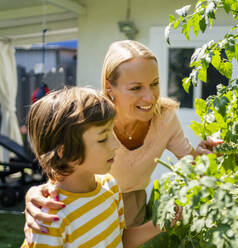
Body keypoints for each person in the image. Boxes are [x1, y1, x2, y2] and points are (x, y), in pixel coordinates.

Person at [24, 40, 222, 234]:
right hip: (90, 203)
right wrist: (35, 193)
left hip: (133, 204)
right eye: (136, 88)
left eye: (154, 83)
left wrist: (207, 155)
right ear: (110, 87)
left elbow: (193, 165)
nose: (150, 97)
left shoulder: (166, 117)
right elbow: (64, 163)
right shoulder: (95, 117)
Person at [22, 87, 171, 248]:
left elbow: (120, 239)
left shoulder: (110, 186)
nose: (116, 144)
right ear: (66, 153)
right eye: (102, 139)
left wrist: (164, 222)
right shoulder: (50, 219)